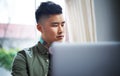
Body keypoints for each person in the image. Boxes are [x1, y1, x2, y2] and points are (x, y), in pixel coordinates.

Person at [11, 1, 65, 76]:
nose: (61, 30)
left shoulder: (72, 56)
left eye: (62, 25)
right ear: (40, 28)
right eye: (55, 25)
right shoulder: (23, 58)